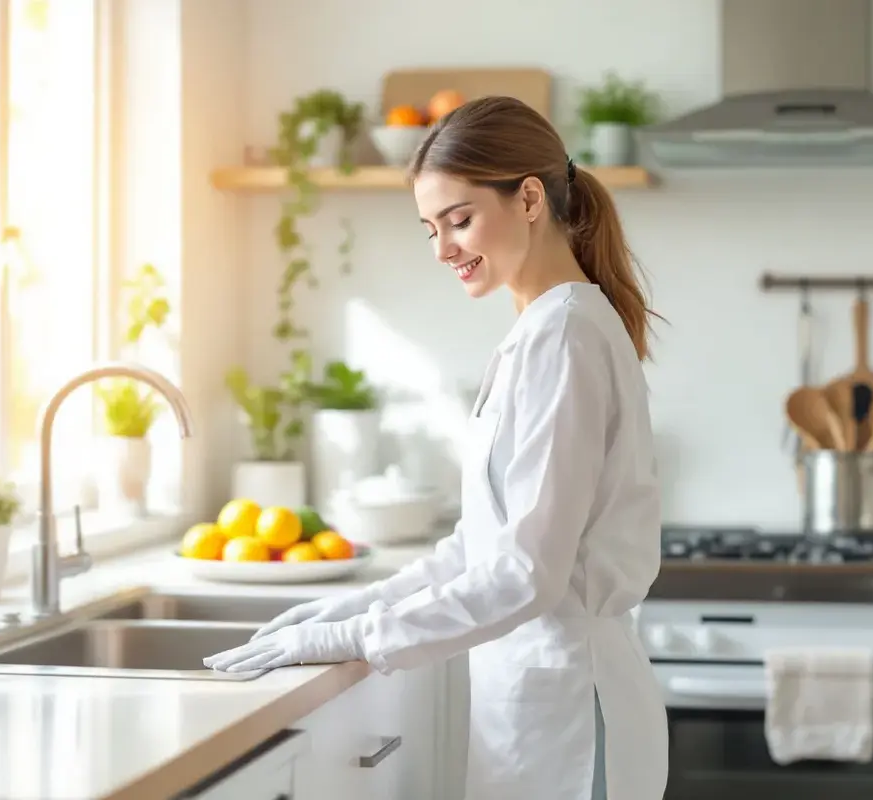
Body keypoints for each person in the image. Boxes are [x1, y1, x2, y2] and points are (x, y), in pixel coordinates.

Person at [204, 95, 669, 800]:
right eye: (430, 228)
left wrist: (356, 638)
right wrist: (356, 608)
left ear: (530, 199)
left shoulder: (565, 336)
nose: (443, 248)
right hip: (539, 703)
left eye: (459, 220)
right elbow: (482, 543)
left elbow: (525, 574)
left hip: (572, 716)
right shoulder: (541, 329)